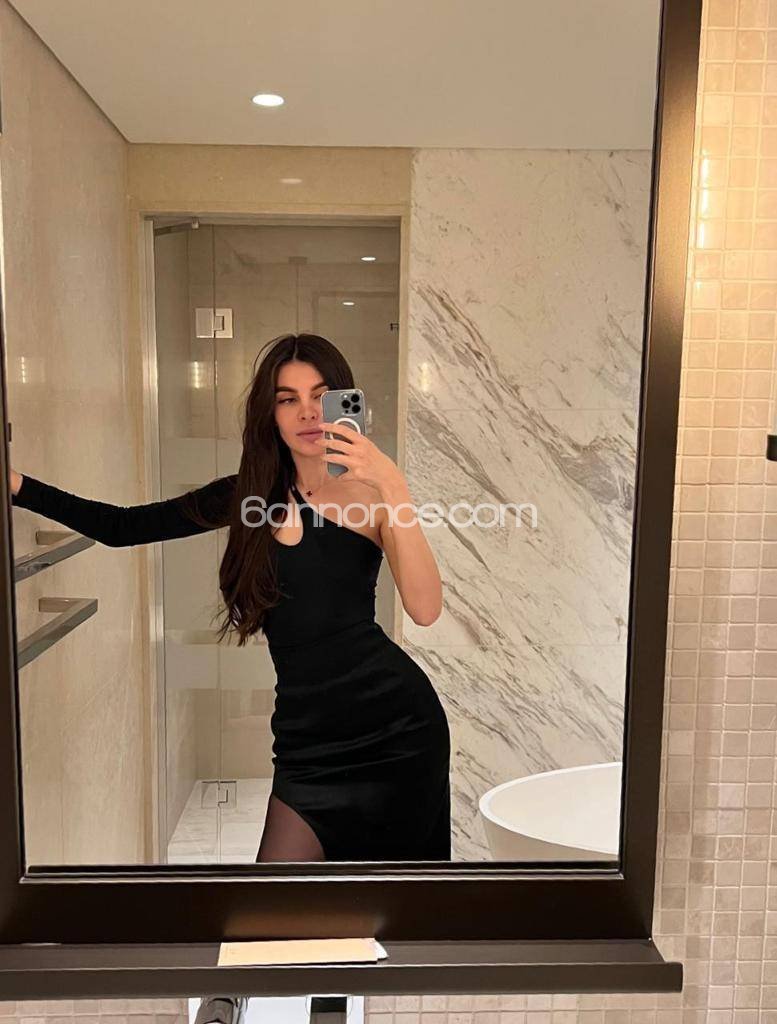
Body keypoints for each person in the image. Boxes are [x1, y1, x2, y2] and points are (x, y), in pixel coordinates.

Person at [10, 332, 452, 865]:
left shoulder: (374, 500)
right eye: (288, 399)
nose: (308, 412)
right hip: (306, 745)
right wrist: (18, 485)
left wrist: (394, 486)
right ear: (271, 414)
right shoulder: (244, 497)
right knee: (270, 907)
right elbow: (121, 527)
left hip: (398, 730)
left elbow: (425, 609)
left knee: (398, 905)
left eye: (321, 395)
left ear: (343, 401)